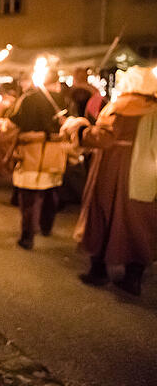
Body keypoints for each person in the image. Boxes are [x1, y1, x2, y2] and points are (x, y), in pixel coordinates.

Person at [62, 66, 157, 296]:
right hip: (148, 172)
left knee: (104, 212)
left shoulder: (120, 107)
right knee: (141, 220)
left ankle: (99, 270)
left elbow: (103, 138)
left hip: (113, 169)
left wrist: (80, 128)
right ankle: (133, 276)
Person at [9, 67, 69, 250]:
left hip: (32, 151)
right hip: (53, 153)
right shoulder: (63, 100)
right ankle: (46, 227)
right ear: (56, 83)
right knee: (51, 192)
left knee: (29, 196)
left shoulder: (29, 99)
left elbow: (15, 119)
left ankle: (27, 236)